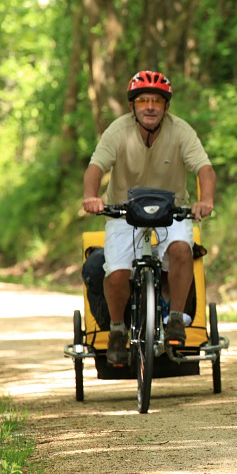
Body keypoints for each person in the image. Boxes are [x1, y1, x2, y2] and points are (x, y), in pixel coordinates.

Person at [82, 71, 216, 366]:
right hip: (123, 212)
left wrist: (205, 200)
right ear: (133, 106)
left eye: (157, 100)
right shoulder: (118, 131)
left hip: (172, 211)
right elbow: (96, 166)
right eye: (143, 100)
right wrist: (92, 197)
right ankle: (117, 328)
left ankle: (177, 320)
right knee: (116, 273)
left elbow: (204, 168)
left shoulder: (181, 131)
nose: (150, 106)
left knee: (182, 250)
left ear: (166, 106)